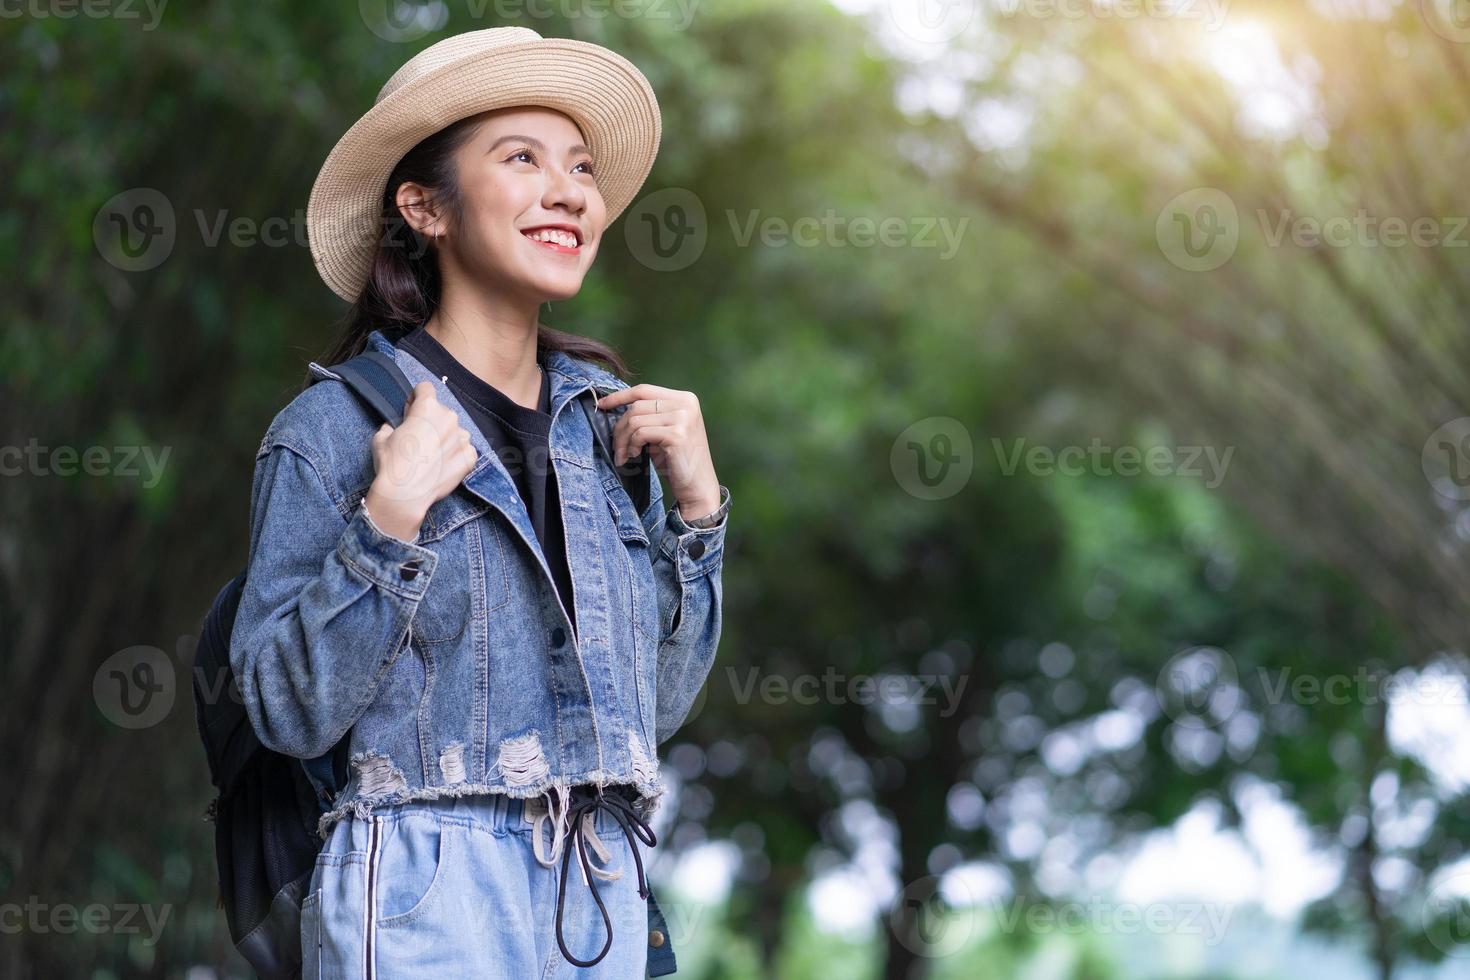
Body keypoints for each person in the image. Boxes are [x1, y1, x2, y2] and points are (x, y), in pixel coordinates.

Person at [228, 27, 730, 979]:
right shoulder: (332, 429)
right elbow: (286, 712)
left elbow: (651, 712)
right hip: (422, 890)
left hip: (601, 888)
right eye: (521, 158)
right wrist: (388, 520)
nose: (569, 190)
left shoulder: (605, 431)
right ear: (424, 207)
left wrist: (698, 520)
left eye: (580, 166)